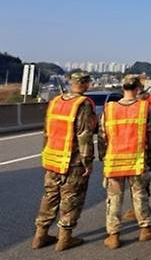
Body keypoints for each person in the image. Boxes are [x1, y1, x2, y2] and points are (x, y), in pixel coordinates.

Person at [32, 71, 97, 251]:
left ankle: (40, 235)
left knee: (50, 197)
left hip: (52, 158)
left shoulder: (55, 102)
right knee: (71, 199)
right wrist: (88, 162)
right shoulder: (82, 104)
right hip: (72, 161)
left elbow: (47, 131)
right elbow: (84, 135)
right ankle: (64, 239)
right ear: (85, 84)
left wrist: (45, 154)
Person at [98, 74, 151, 249]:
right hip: (136, 160)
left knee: (114, 198)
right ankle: (145, 229)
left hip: (114, 161)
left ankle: (113, 235)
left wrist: (103, 156)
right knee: (139, 195)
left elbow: (102, 136)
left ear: (123, 88)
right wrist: (150, 157)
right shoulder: (145, 108)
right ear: (137, 89)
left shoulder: (109, 109)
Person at [123, 73, 151, 223]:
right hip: (149, 141)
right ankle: (141, 208)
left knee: (138, 180)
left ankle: (139, 210)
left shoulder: (141, 102)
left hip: (138, 143)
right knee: (143, 178)